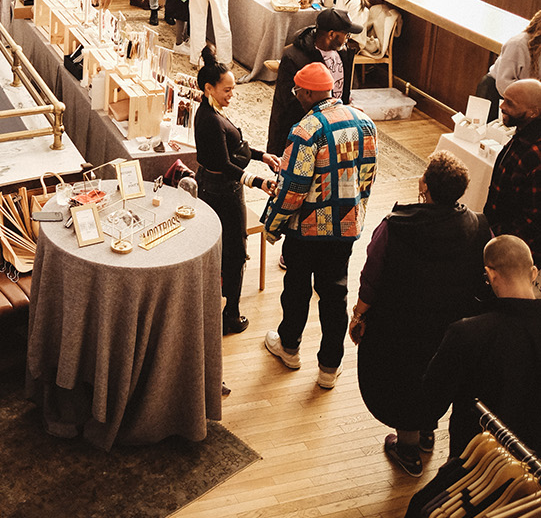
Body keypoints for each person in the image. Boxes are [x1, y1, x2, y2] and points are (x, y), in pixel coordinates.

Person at [351, 151, 487, 476]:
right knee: (438, 375)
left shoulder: (395, 228)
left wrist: (358, 315)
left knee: (402, 381)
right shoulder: (479, 227)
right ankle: (428, 433)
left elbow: (371, 276)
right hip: (452, 325)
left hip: (400, 324)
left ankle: (409, 450)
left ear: (424, 184)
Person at [262, 61, 378, 389]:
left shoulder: (306, 130)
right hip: (344, 229)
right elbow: (367, 176)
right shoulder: (365, 121)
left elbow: (292, 188)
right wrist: (356, 212)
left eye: (298, 89)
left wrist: (272, 225)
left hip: (306, 231)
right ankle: (329, 367)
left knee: (297, 289)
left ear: (311, 92)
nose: (294, 94)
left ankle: (289, 348)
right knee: (335, 295)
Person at [420, 234, 541, 459]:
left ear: (491, 274)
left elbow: (430, 404)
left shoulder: (466, 333)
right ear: (533, 273)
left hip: (478, 459)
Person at [194, 46, 282, 336]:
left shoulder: (211, 111)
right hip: (223, 192)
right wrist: (258, 181)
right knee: (235, 250)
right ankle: (230, 313)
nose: (232, 95)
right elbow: (223, 162)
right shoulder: (210, 120)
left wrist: (262, 155)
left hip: (215, 187)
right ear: (209, 88)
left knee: (222, 248)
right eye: (227, 90)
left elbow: (235, 148)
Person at [266, 7, 363, 157]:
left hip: (333, 129)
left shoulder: (343, 52)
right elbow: (288, 102)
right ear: (331, 34)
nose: (348, 38)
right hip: (302, 132)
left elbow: (343, 89)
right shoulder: (294, 57)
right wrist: (325, 117)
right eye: (346, 34)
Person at [483, 77, 541, 259]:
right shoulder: (523, 135)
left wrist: (496, 239)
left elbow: (533, 220)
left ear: (533, 112)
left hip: (514, 251)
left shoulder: (535, 154)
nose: (501, 106)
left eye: (510, 103)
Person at [475, 10, 541, 120]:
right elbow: (503, 82)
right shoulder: (518, 44)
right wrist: (528, 100)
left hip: (525, 101)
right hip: (496, 93)